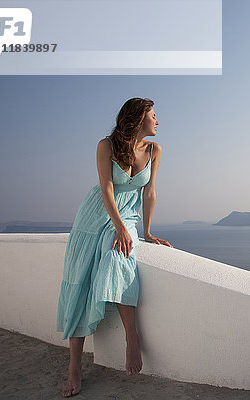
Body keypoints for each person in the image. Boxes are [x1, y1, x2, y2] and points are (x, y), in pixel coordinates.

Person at [56, 97, 173, 397]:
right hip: (98, 214)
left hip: (128, 215)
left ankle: (131, 337)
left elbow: (149, 193)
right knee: (80, 281)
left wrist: (144, 231)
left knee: (118, 258)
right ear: (137, 118)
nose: (157, 121)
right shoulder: (106, 145)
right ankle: (74, 368)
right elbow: (107, 188)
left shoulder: (154, 150)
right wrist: (119, 226)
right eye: (153, 115)